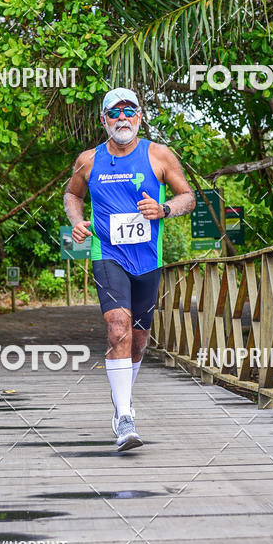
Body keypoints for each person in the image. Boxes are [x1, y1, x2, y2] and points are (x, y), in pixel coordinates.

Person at [64, 88, 196, 451]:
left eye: (129, 111)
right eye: (114, 113)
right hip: (107, 254)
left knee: (138, 341)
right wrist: (77, 221)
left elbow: (188, 196)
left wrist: (165, 209)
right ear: (103, 120)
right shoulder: (89, 160)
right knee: (118, 329)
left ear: (139, 116)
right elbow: (72, 195)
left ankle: (124, 396)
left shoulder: (159, 155)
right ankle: (125, 417)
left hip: (147, 259)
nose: (122, 118)